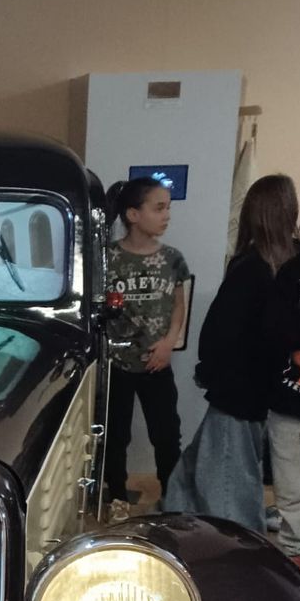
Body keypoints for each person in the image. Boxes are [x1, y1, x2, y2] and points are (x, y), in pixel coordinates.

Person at [163, 175, 299, 533]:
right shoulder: (288, 267)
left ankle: (236, 549)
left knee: (227, 483)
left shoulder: (252, 268)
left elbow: (220, 332)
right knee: (199, 469)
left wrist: (208, 371)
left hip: (238, 392)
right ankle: (177, 525)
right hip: (267, 389)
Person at [104, 177, 189, 522]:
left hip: (157, 363)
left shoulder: (173, 259)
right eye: (159, 208)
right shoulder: (107, 259)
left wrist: (169, 342)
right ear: (133, 214)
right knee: (115, 436)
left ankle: (173, 497)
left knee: (167, 435)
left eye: (168, 208)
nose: (166, 215)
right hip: (117, 364)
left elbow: (179, 305)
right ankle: (117, 498)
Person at [263, 206, 300, 563]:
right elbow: (274, 331)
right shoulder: (292, 272)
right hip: (289, 400)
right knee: (290, 487)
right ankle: (294, 553)